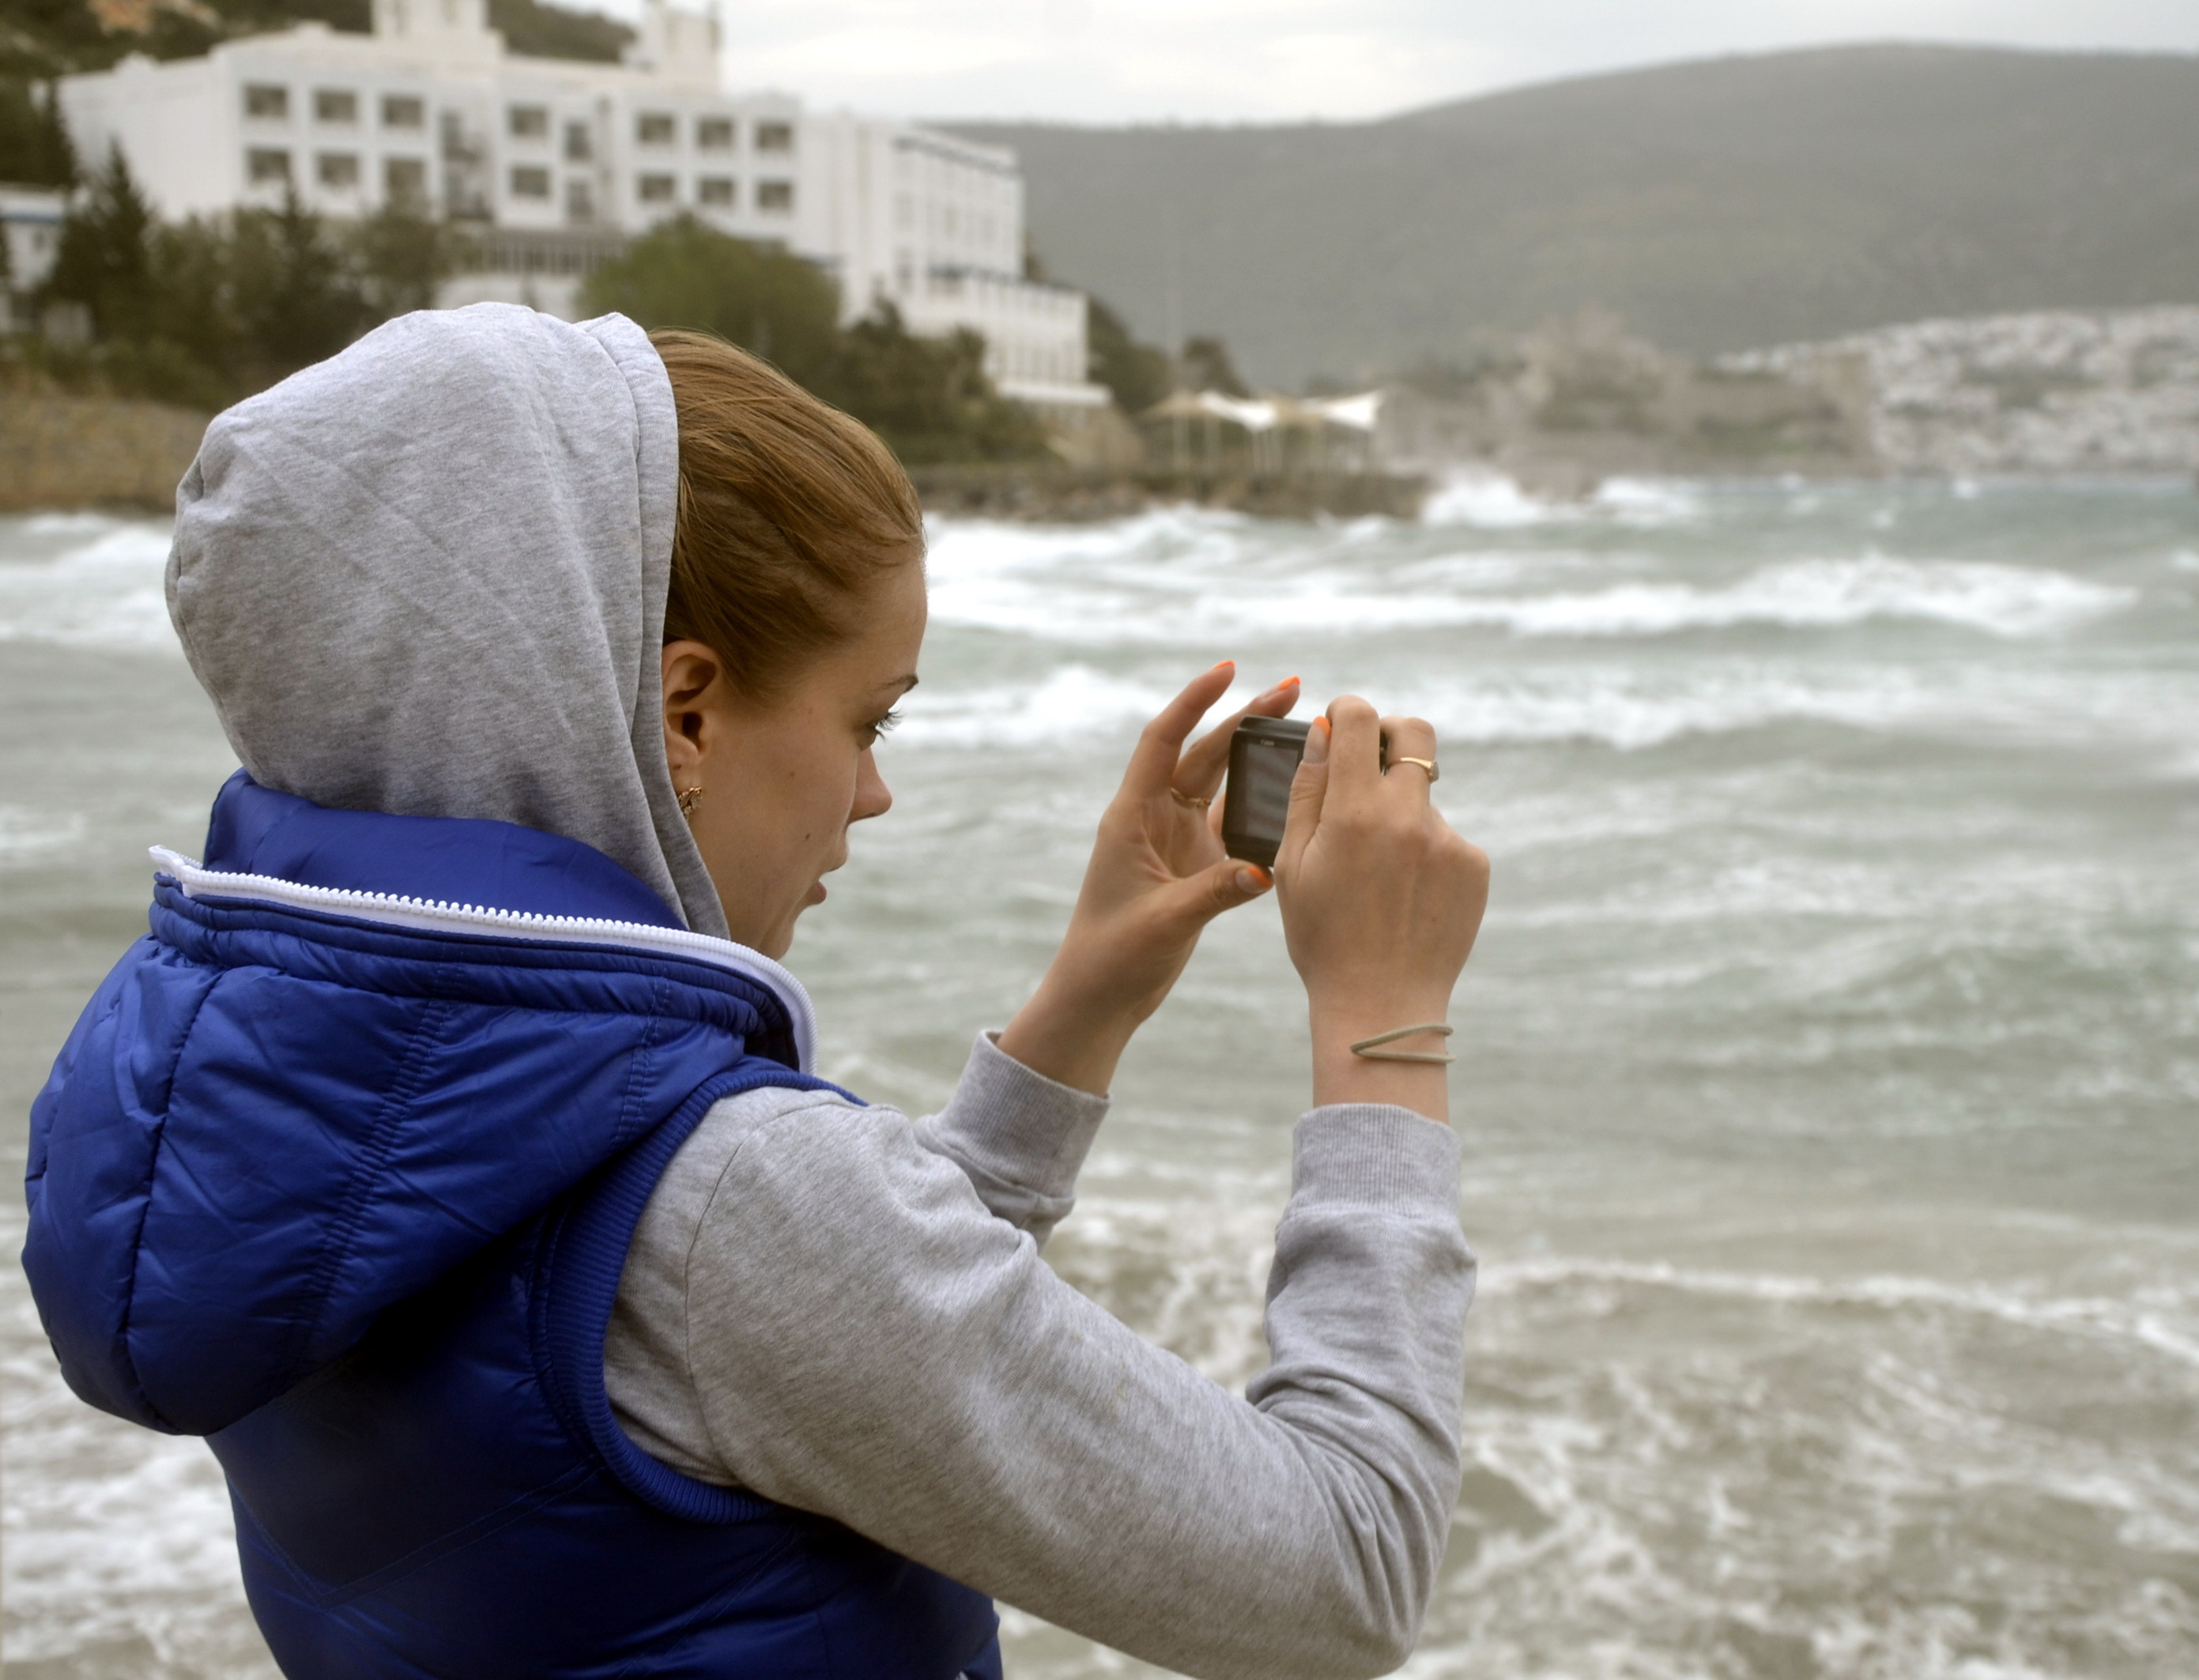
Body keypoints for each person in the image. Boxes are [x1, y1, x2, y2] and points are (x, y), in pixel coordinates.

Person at [21, 305, 1490, 1679]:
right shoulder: (722, 1202)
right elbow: (1340, 1567)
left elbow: (784, 1341)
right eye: (865, 716)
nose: (875, 791)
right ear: (686, 709)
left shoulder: (254, 1093)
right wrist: (1381, 1017)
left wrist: (1082, 1007)